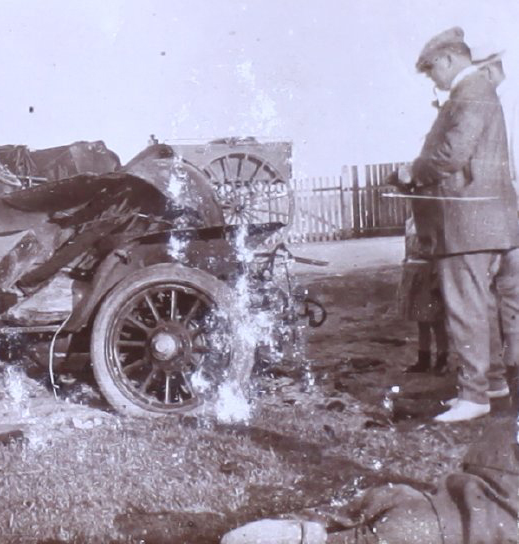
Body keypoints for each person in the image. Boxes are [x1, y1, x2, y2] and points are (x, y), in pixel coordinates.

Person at [390, 27, 519, 422]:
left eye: (432, 71)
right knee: (492, 306)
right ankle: (493, 383)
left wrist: (412, 172)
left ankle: (474, 395)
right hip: (494, 222)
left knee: (466, 308)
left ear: (447, 59)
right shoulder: (481, 91)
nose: (433, 79)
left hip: (467, 224)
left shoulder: (470, 91)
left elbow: (451, 153)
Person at [220, 416, 519, 544]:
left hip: (410, 499)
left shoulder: (506, 429)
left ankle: (285, 529)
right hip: (427, 535)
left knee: (323, 520)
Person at [398, 215, 448, 373]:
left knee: (436, 319)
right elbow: (408, 249)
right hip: (415, 274)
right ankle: (423, 359)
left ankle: (442, 359)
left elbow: (440, 251)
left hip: (430, 272)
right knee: (421, 320)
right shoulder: (410, 222)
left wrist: (437, 277)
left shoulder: (434, 221)